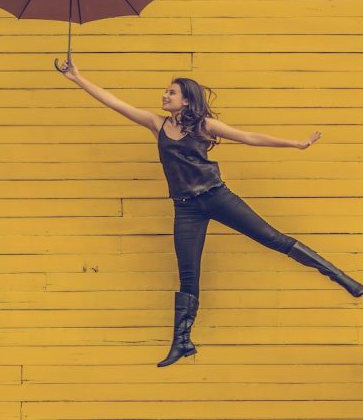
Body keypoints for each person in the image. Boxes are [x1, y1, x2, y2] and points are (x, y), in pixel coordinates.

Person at [55, 56, 363, 367]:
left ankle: (344, 279)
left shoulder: (205, 126)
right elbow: (114, 103)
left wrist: (295, 144)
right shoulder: (156, 123)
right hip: (186, 209)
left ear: (186, 100)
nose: (164, 96)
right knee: (188, 275)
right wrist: (77, 78)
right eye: (166, 92)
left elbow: (249, 137)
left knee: (274, 239)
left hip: (217, 197)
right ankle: (182, 342)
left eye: (171, 92)